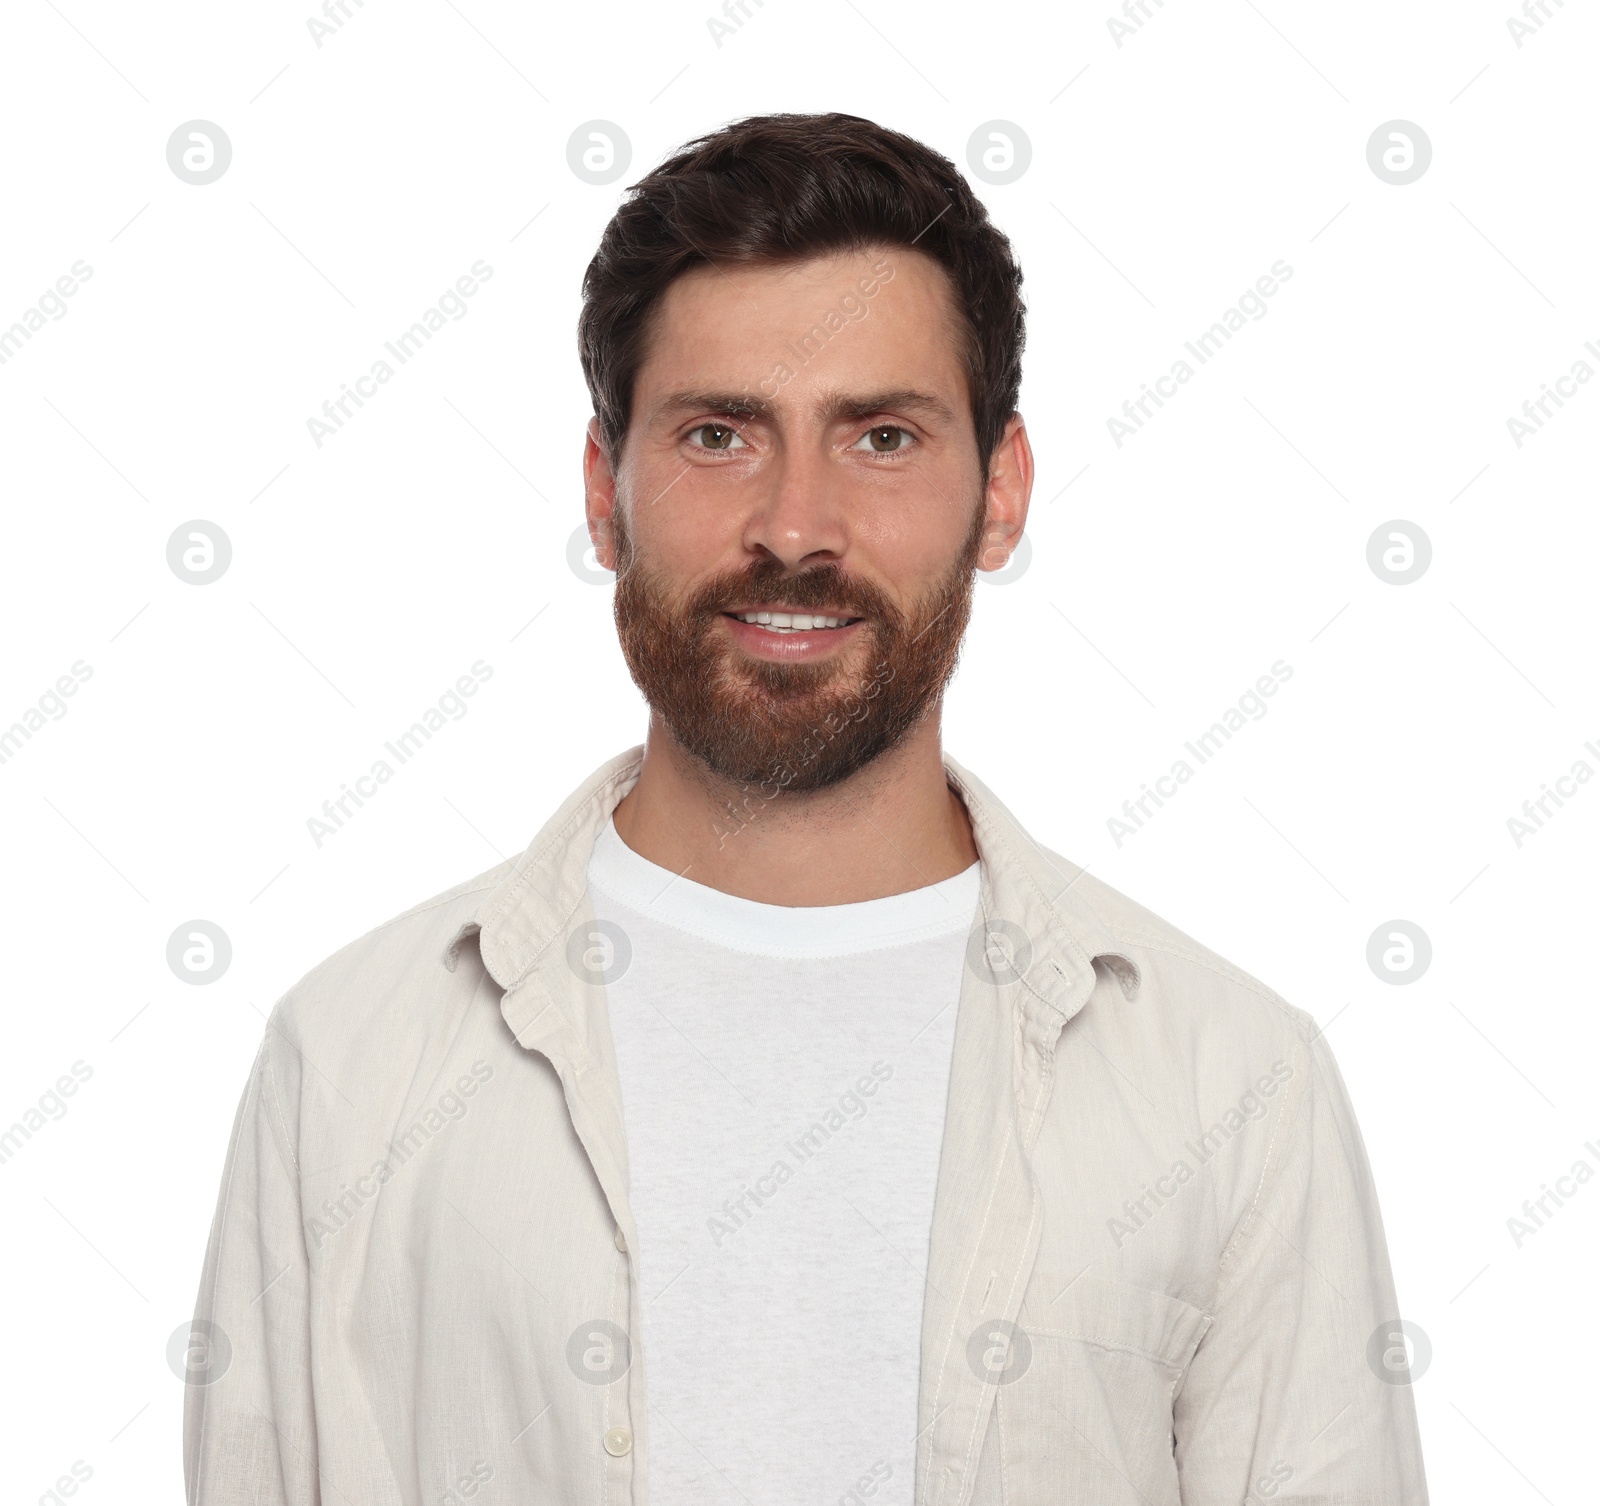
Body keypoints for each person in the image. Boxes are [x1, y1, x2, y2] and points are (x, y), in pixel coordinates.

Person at [185, 112, 1429, 1505]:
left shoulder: (1231, 1084)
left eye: (882, 435)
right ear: (607, 494)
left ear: (1000, 490)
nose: (795, 523)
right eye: (719, 434)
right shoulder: (354, 1062)